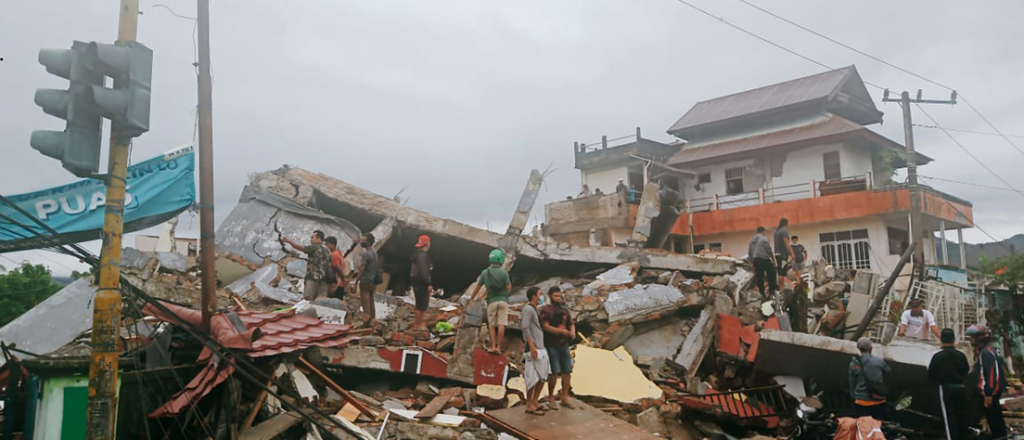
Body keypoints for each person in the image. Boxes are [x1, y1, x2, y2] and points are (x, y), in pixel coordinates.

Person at [966, 325, 1008, 440]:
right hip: (987, 393)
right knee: (993, 418)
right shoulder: (984, 352)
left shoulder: (986, 353)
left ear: (979, 338)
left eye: (972, 337)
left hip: (988, 394)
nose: (970, 340)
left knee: (994, 419)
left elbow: (990, 375)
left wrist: (988, 394)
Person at [929, 328, 971, 440]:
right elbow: (966, 370)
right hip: (961, 388)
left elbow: (931, 374)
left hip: (945, 388)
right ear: (954, 339)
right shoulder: (961, 355)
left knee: (948, 418)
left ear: (941, 339)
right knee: (961, 416)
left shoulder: (937, 356)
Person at [541, 286, 576, 410]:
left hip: (564, 344)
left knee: (567, 370)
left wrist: (572, 332)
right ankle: (551, 397)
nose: (559, 298)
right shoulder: (545, 310)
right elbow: (545, 326)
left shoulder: (565, 310)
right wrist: (561, 332)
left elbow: (571, 323)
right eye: (556, 296)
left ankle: (565, 397)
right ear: (550, 296)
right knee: (554, 371)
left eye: (560, 296)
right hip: (551, 343)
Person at [470, 249, 512, 354]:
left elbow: (478, 287)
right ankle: (498, 348)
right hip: (503, 301)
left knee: (492, 325)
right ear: (500, 259)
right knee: (501, 324)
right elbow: (508, 288)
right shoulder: (504, 273)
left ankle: (493, 346)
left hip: (491, 302)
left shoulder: (485, 273)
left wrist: (472, 298)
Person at [521, 287, 550, 415]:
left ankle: (535, 401)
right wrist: (531, 345)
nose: (541, 296)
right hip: (534, 347)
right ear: (533, 296)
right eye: (540, 294)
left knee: (542, 376)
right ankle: (529, 404)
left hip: (541, 346)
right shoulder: (528, 309)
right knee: (532, 377)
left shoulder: (535, 310)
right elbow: (525, 327)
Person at [849, 337, 891, 420]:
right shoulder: (879, 361)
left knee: (862, 426)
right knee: (878, 425)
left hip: (860, 402)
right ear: (870, 348)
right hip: (878, 400)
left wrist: (855, 398)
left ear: (858, 348)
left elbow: (851, 385)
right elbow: (888, 371)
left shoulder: (853, 364)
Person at [282, 230, 331, 301]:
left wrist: (290, 242)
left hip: (312, 278)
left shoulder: (314, 247)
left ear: (319, 238)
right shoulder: (327, 250)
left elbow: (301, 248)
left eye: (312, 237)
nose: (311, 240)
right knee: (321, 301)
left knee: (308, 299)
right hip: (323, 280)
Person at [353, 233, 379, 326]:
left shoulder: (366, 254)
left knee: (365, 303)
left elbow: (362, 269)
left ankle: (367, 321)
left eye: (363, 241)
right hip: (372, 281)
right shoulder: (374, 252)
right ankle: (373, 320)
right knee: (371, 301)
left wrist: (356, 281)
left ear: (368, 242)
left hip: (365, 280)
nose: (362, 242)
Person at [410, 235, 434, 332]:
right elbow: (424, 271)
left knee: (418, 304)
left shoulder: (416, 255)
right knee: (422, 305)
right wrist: (429, 283)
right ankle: (418, 325)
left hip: (416, 282)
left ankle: (417, 324)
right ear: (427, 243)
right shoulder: (423, 256)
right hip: (422, 282)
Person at [748, 226, 777, 298]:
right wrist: (773, 259)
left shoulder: (751, 240)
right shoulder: (764, 238)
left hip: (756, 260)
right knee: (772, 274)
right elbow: (768, 249)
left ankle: (762, 292)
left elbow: (750, 252)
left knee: (759, 277)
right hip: (764, 259)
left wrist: (751, 261)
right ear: (763, 231)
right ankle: (772, 291)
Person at [774, 218, 795, 286]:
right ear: (786, 223)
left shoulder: (776, 231)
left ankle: (781, 287)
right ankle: (782, 287)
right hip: (782, 254)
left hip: (777, 254)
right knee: (782, 273)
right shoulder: (784, 230)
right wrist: (792, 253)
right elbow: (786, 243)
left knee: (780, 271)